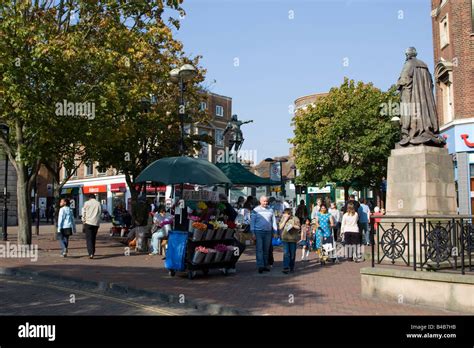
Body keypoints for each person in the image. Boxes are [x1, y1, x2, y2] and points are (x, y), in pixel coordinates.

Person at [250, 196, 277, 274]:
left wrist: (275, 232)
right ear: (260, 201)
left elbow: (273, 222)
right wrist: (253, 233)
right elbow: (252, 222)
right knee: (259, 249)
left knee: (266, 249)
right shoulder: (255, 210)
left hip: (268, 232)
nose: (265, 203)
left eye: (266, 201)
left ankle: (265, 265)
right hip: (258, 232)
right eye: (264, 201)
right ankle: (260, 266)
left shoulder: (271, 210)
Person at [279, 208, 301, 274]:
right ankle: (286, 267)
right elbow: (280, 227)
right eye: (284, 214)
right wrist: (285, 220)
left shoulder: (295, 218)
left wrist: (293, 226)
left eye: (287, 214)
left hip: (293, 239)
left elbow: (299, 227)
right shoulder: (283, 218)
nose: (285, 215)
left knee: (292, 254)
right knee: (286, 253)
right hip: (285, 238)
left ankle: (291, 267)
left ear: (290, 213)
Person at [82, 194, 102, 259]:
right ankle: (93, 252)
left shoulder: (86, 203)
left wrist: (83, 221)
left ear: (89, 198)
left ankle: (90, 253)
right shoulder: (98, 203)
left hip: (88, 222)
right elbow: (100, 212)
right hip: (96, 223)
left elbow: (83, 212)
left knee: (89, 239)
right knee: (93, 238)